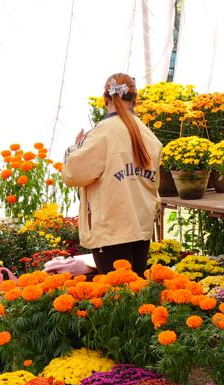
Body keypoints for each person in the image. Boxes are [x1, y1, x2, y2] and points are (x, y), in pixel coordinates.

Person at [62, 73, 163, 276]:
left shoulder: (102, 132)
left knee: (115, 296)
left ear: (105, 99)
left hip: (111, 228)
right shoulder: (147, 133)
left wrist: (74, 149)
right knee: (135, 291)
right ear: (135, 100)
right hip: (140, 226)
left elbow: (75, 174)